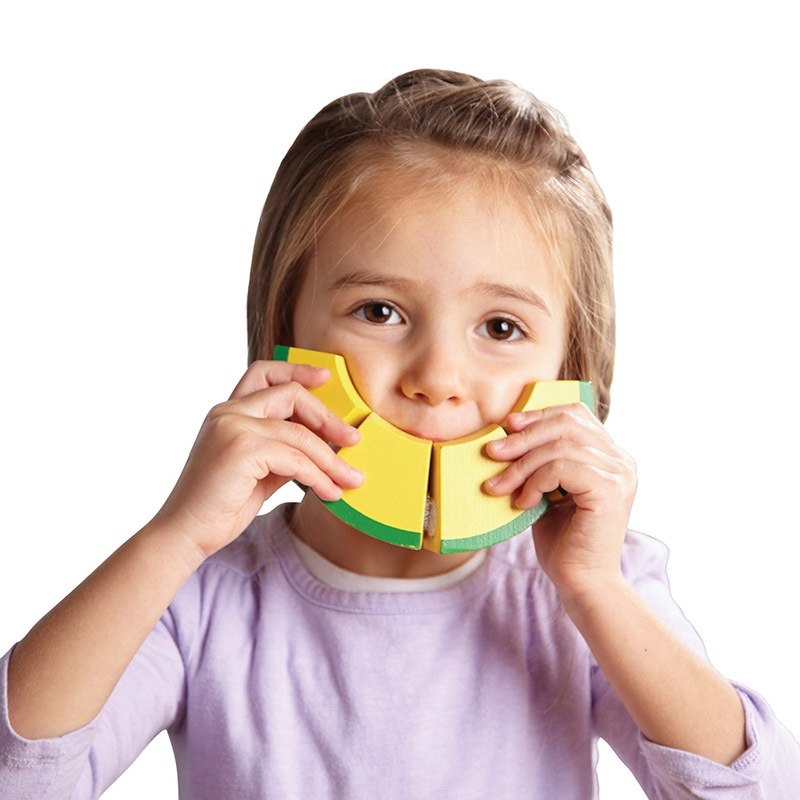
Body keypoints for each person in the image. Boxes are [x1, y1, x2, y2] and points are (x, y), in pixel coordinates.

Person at [1, 68, 798, 799]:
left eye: (500, 325)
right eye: (379, 311)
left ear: (574, 373)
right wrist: (173, 539)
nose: (437, 376)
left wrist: (595, 591)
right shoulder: (198, 596)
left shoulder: (591, 588)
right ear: (285, 334)